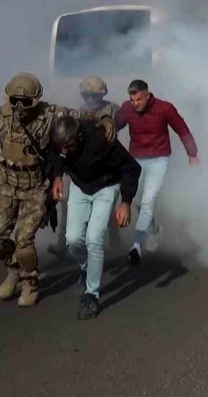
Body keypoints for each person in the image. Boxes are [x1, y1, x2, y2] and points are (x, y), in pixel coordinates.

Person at [0, 72, 116, 307]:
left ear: (36, 100)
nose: (19, 107)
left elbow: (81, 116)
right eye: (14, 100)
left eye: (25, 102)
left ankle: (30, 282)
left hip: (35, 189)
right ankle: (13, 269)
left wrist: (103, 120)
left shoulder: (51, 114)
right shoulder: (1, 117)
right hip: (6, 188)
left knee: (24, 241)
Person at [50, 116, 141, 319]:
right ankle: (85, 268)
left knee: (94, 239)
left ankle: (92, 295)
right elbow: (56, 154)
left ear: (80, 137)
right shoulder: (58, 138)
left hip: (106, 187)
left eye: (68, 146)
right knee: (72, 239)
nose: (64, 151)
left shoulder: (102, 141)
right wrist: (57, 176)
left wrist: (125, 202)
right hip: (80, 186)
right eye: (61, 147)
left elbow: (131, 168)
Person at [115, 79, 199, 264]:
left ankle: (136, 245)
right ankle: (153, 230)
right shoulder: (127, 109)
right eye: (132, 99)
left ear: (147, 95)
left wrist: (192, 153)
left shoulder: (165, 108)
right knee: (135, 201)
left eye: (138, 99)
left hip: (159, 160)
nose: (135, 103)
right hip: (135, 160)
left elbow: (182, 130)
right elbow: (113, 127)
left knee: (147, 201)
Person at [48, 76, 121, 259]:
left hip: (104, 163)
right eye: (86, 95)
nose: (89, 100)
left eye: (93, 96)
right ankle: (62, 242)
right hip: (79, 162)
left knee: (107, 205)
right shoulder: (78, 112)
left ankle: (114, 239)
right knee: (66, 204)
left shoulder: (114, 109)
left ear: (102, 94)